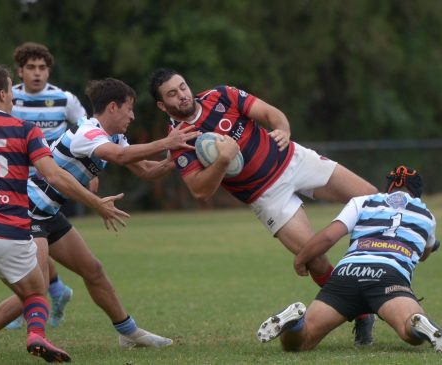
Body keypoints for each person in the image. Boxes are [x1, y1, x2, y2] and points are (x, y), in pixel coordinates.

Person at [0, 77, 200, 359]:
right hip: (27, 212)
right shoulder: (88, 133)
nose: (132, 116)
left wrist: (173, 159)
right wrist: (167, 141)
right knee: (36, 287)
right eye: (129, 109)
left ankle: (128, 332)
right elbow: (119, 157)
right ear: (112, 107)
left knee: (93, 270)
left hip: (48, 213)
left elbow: (146, 170)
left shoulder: (116, 137)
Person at [149, 68, 379, 344]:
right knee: (314, 259)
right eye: (172, 94)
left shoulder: (221, 95)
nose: (182, 95)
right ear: (162, 105)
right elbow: (200, 190)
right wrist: (223, 160)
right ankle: (362, 314)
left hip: (294, 160)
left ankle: (410, 247)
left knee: (372, 200)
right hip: (267, 197)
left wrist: (282, 129)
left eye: (183, 87)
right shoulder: (179, 139)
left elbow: (271, 114)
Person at [0, 64, 129, 362]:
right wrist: (95, 203)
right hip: (11, 232)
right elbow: (54, 176)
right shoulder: (25, 131)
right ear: (3, 93)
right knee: (34, 294)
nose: (14, 99)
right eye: (10, 92)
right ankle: (36, 336)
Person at [256, 166, 442, 353]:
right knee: (409, 331)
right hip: (388, 277)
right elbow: (424, 253)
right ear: (417, 192)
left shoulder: (363, 201)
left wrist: (301, 258)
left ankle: (296, 322)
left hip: (348, 274)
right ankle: (417, 322)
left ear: (388, 188)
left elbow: (329, 237)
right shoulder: (426, 215)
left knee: (301, 342)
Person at [8, 42, 89, 329]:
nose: (37, 73)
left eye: (42, 68)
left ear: (49, 70)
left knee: (25, 248)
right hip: (15, 185)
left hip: (48, 186)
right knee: (30, 247)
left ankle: (27, 304)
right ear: (20, 71)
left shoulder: (64, 99)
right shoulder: (8, 99)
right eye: (31, 67)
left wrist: (92, 173)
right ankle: (54, 291)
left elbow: (88, 133)